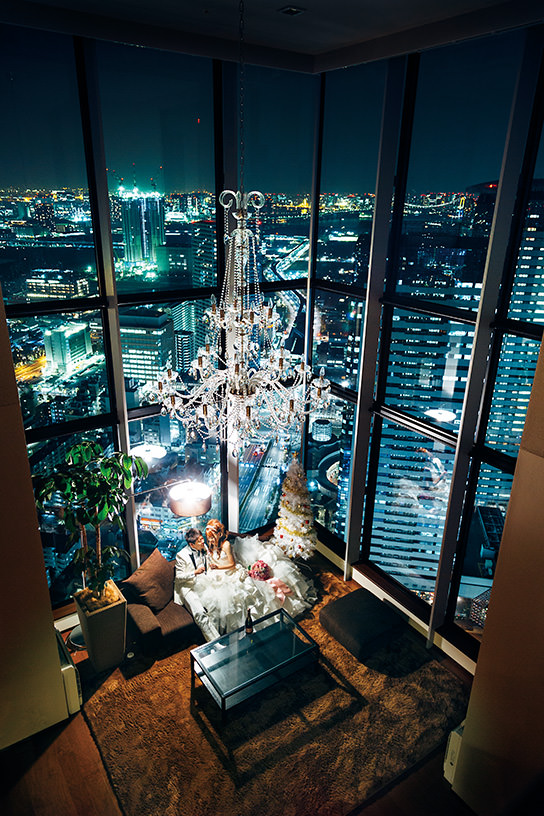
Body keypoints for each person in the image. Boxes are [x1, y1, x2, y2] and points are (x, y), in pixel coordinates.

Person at [173, 527, 220, 642]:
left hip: (203, 581)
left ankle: (219, 633)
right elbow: (178, 578)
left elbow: (206, 560)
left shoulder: (203, 547)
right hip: (187, 586)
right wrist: (194, 572)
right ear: (192, 544)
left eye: (201, 538)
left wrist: (210, 565)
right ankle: (215, 642)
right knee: (200, 613)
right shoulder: (181, 555)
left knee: (215, 604)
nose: (203, 541)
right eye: (199, 541)